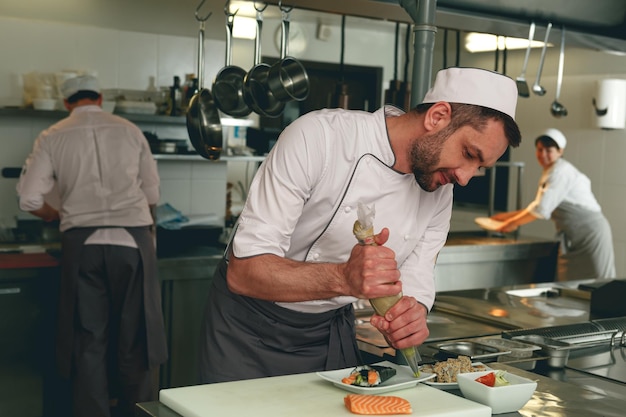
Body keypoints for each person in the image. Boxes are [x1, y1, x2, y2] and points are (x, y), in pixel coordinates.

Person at [198, 67, 522, 383]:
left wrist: (413, 315)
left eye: (480, 166)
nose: (465, 178)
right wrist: (344, 278)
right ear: (437, 116)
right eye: (468, 153)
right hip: (248, 331)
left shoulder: (439, 191)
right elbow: (244, 272)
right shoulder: (319, 138)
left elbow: (417, 279)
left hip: (328, 333)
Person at [16, 75, 167, 417]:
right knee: (137, 339)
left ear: (67, 103)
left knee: (88, 340)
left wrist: (55, 212)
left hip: (81, 244)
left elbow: (28, 199)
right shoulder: (130, 130)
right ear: (99, 98)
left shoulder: (52, 135)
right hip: (133, 241)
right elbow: (152, 194)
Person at [490, 128, 615, 281]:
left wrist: (510, 223)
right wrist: (505, 217)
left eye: (548, 150)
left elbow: (541, 210)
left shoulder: (560, 172)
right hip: (572, 236)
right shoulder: (551, 171)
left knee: (599, 283)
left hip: (590, 235)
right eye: (540, 149)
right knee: (570, 284)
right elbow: (538, 205)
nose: (543, 155)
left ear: (560, 151)